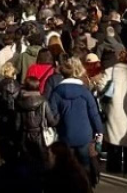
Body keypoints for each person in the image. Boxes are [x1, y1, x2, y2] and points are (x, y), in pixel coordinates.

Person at [47, 57, 103, 185]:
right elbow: (94, 115)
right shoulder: (85, 92)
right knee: (85, 163)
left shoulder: (56, 93)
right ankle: (86, 185)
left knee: (66, 165)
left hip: (65, 135)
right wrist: (99, 131)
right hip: (84, 135)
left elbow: (53, 116)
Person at [0, 61, 21, 161]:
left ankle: (3, 161)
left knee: (2, 141)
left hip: (2, 118)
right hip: (14, 117)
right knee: (14, 140)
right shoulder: (18, 86)